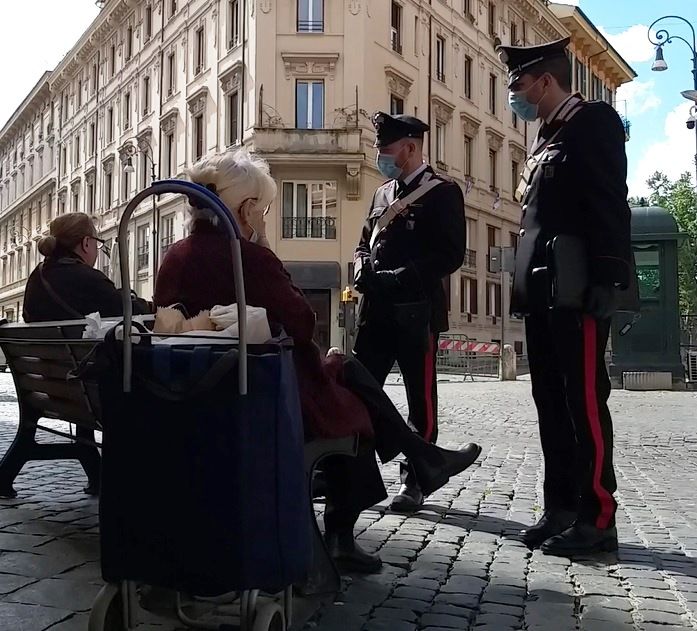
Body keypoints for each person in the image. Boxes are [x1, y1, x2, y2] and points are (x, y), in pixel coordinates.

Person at [154, 149, 481, 573]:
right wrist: (265, 249)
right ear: (248, 210)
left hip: (198, 391)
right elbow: (302, 322)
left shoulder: (173, 257)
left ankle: (423, 458)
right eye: (265, 210)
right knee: (351, 394)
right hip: (259, 397)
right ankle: (364, 513)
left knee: (346, 369)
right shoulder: (249, 258)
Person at [496, 37, 632, 555]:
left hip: (577, 288)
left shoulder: (591, 122)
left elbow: (607, 202)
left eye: (519, 86)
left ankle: (599, 515)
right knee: (549, 401)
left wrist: (608, 278)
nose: (516, 96)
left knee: (585, 402)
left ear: (546, 81)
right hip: (544, 288)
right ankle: (562, 507)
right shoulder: (546, 136)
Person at [352, 112, 476, 513]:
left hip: (414, 312)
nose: (379, 156)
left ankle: (416, 479)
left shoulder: (442, 192)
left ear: (410, 148)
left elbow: (450, 254)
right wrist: (360, 267)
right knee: (360, 391)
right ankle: (355, 470)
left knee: (419, 398)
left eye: (385, 149)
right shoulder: (381, 193)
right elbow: (362, 242)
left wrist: (400, 277)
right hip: (375, 311)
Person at [23, 213, 152, 322]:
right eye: (97, 242)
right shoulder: (88, 279)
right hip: (85, 352)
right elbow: (132, 311)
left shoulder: (36, 277)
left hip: (40, 352)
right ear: (86, 243)